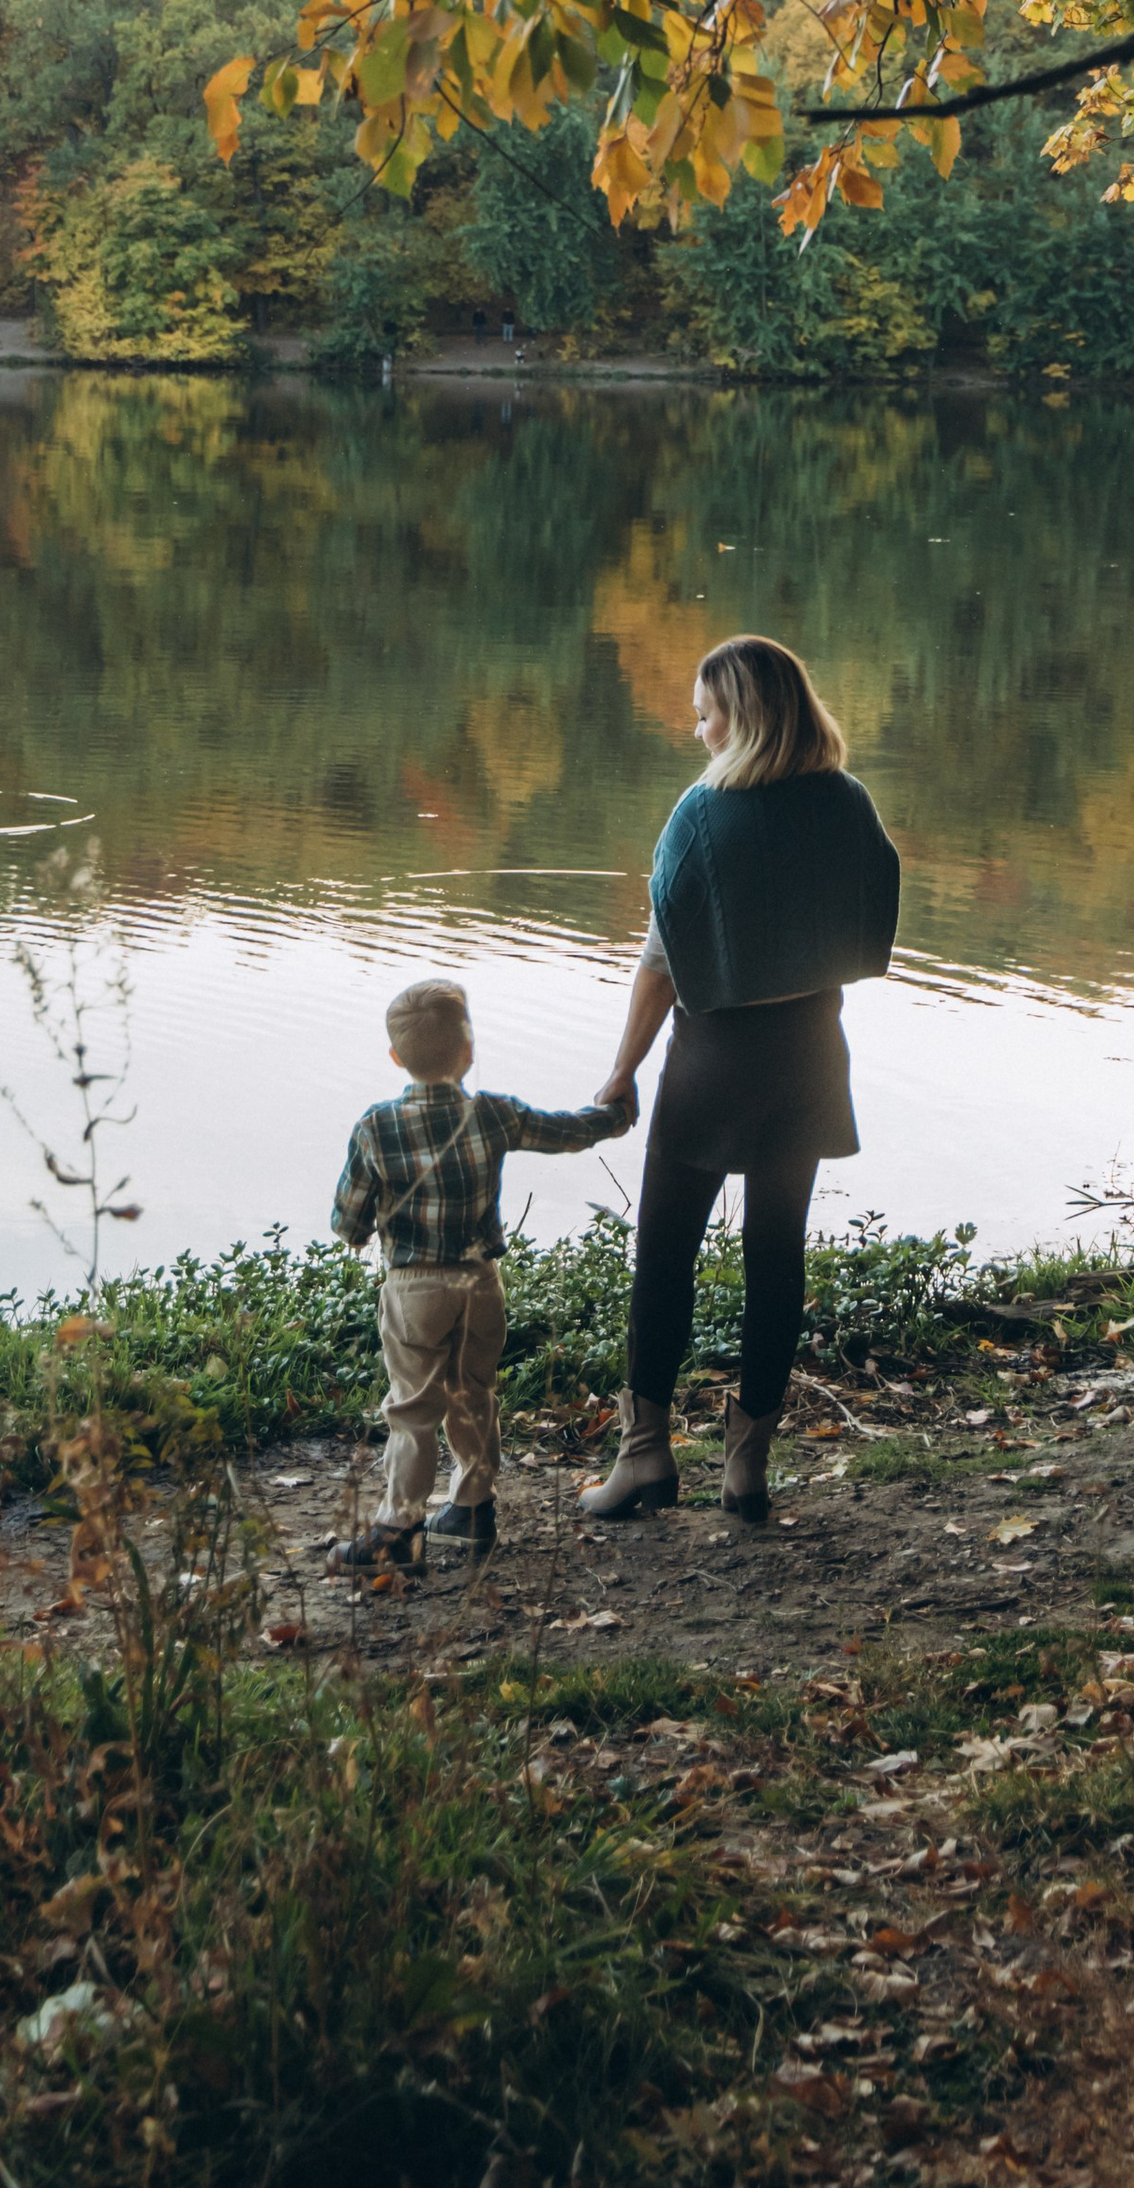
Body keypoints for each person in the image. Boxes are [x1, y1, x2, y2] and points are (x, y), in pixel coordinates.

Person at [584, 634, 899, 1529]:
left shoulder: (700, 814)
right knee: (776, 1259)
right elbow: (872, 913)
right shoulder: (850, 803)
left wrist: (621, 1072)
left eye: (706, 714)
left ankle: (644, 1458)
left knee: (665, 1257)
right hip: (808, 1056)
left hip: (714, 1061)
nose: (697, 731)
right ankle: (747, 1466)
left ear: (745, 717)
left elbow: (660, 963)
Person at [329, 974, 633, 1569]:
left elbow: (348, 1218)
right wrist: (614, 1116)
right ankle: (472, 1506)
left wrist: (362, 1231)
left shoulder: (375, 1126)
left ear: (396, 1058)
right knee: (474, 1393)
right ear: (469, 1051)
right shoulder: (494, 1114)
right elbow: (565, 1131)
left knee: (413, 1407)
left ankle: (399, 1528)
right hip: (480, 1283)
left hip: (415, 1286)